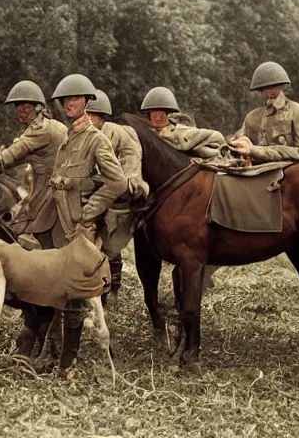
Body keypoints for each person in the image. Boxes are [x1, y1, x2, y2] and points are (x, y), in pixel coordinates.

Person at [45, 74, 127, 374]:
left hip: (81, 227)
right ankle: (55, 352)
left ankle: (67, 364)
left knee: (76, 295)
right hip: (63, 223)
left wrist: (89, 212)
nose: (69, 104)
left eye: (75, 99)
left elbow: (117, 183)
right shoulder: (68, 138)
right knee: (63, 289)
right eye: (65, 101)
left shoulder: (96, 139)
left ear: (86, 102)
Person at [0, 80, 67, 249]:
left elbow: (12, 155)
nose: (21, 111)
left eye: (26, 106)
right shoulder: (46, 126)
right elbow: (12, 158)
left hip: (53, 192)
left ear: (38, 108)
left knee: (38, 236)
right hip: (52, 189)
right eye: (18, 106)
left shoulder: (41, 130)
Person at [85, 89, 144, 306]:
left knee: (109, 242)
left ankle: (113, 288)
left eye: (93, 115)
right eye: (86, 115)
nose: (88, 120)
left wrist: (127, 182)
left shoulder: (116, 133)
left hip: (116, 196)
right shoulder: (83, 134)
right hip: (93, 193)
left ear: (102, 116)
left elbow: (130, 162)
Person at [230, 61, 299, 164]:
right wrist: (236, 144)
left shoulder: (296, 111)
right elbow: (235, 142)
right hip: (257, 171)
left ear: (282, 87)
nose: (269, 92)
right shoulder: (252, 117)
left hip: (288, 171)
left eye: (274, 87)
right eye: (265, 89)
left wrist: (255, 150)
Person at [139, 87, 228, 160]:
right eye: (154, 115)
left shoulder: (181, 131)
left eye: (161, 114)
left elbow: (216, 138)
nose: (158, 118)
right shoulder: (148, 135)